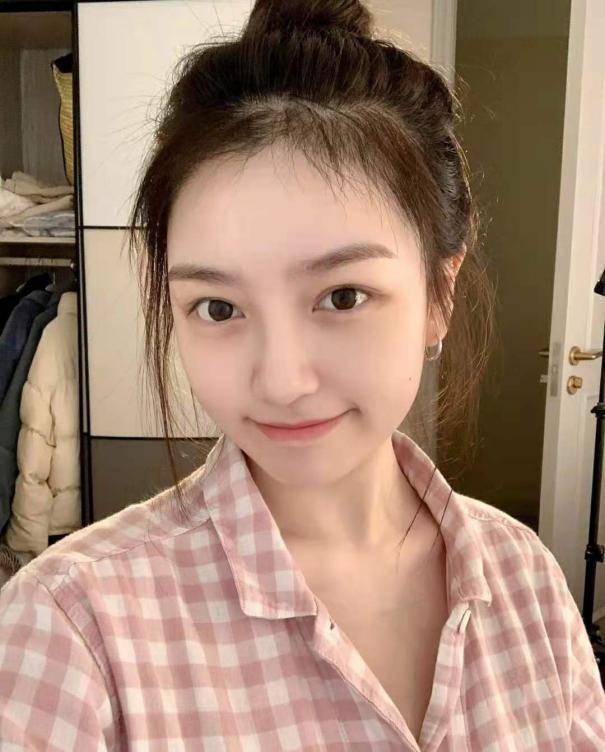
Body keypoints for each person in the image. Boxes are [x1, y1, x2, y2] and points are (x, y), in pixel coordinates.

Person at [1, 0, 604, 749]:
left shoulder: (526, 582)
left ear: (438, 296)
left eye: (342, 297)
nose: (281, 381)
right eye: (218, 308)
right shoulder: (70, 632)